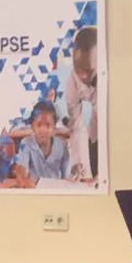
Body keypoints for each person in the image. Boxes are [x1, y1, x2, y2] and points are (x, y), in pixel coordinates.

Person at [14, 100, 71, 187]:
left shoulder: (62, 146)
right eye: (39, 125)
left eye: (48, 125)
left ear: (54, 128)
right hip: (33, 189)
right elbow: (21, 171)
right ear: (32, 126)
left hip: (55, 190)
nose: (43, 130)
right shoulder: (26, 143)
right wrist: (24, 181)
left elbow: (67, 176)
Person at [65, 26, 97, 180]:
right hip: (91, 130)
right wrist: (80, 167)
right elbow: (75, 125)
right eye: (78, 69)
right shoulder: (72, 78)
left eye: (88, 70)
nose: (82, 76)